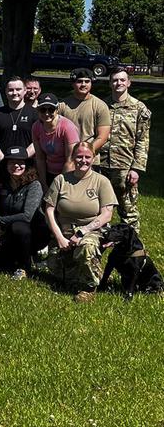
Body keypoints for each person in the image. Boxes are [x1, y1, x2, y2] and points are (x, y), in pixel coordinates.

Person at [44, 142, 117, 302]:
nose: (83, 160)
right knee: (59, 275)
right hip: (64, 235)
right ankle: (75, 273)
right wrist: (59, 237)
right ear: (73, 158)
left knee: (86, 247)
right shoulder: (61, 180)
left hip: (91, 233)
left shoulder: (101, 181)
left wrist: (83, 231)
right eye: (79, 156)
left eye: (87, 157)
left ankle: (89, 287)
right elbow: (49, 210)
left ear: (93, 158)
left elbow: (107, 214)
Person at [100, 67, 150, 232]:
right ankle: (98, 244)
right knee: (100, 208)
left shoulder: (139, 108)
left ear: (129, 83)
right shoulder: (101, 106)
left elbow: (143, 140)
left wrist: (136, 168)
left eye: (122, 80)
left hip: (125, 167)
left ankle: (132, 248)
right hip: (101, 166)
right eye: (115, 80)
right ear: (110, 83)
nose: (118, 83)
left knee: (128, 211)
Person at [0, 146, 48, 280]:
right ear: (6, 165)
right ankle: (16, 257)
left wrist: (1, 221)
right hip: (9, 231)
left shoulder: (34, 185)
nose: (16, 165)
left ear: (26, 165)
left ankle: (24, 266)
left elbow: (27, 216)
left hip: (34, 231)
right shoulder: (2, 184)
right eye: (11, 162)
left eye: (20, 162)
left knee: (19, 226)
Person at [0, 76, 39, 178]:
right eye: (11, 90)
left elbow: (38, 140)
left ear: (24, 91)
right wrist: (3, 159)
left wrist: (23, 158)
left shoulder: (34, 114)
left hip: (27, 165)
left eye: (18, 89)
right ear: (5, 92)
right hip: (1, 165)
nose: (14, 93)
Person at [59, 68, 111, 167]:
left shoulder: (100, 106)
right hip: (66, 158)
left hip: (89, 160)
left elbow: (102, 137)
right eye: (79, 81)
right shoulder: (62, 105)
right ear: (73, 84)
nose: (83, 84)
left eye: (87, 81)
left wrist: (83, 153)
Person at [32, 94, 80, 189]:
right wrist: (43, 182)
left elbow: (70, 160)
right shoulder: (36, 127)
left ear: (57, 110)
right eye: (43, 110)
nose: (46, 113)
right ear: (38, 110)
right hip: (49, 171)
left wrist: (59, 185)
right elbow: (40, 157)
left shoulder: (67, 127)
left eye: (51, 109)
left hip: (69, 172)